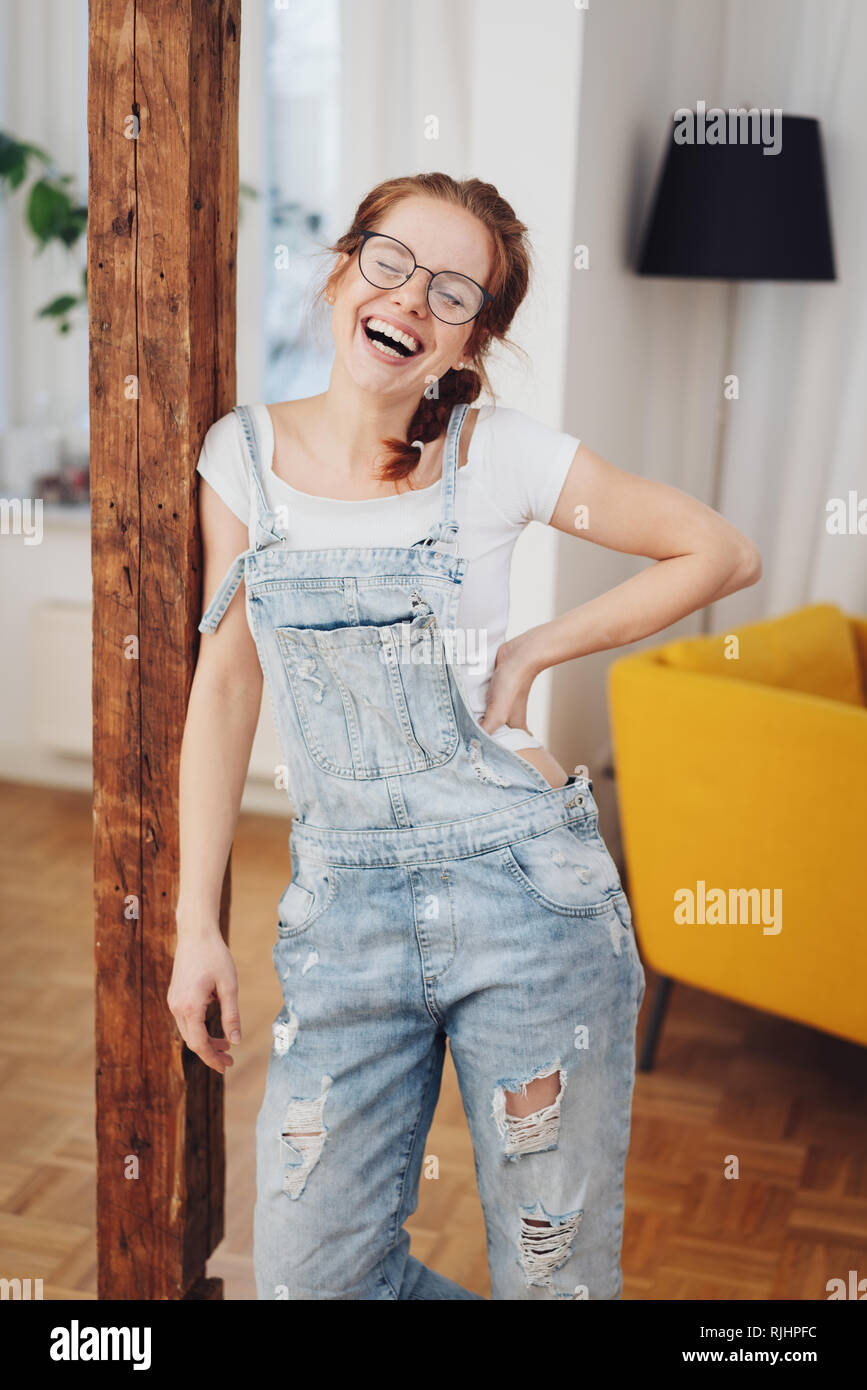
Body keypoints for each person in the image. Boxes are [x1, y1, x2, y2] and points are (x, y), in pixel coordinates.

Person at [168, 172, 761, 1300]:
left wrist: (535, 651)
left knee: (555, 1279)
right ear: (344, 267)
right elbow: (224, 687)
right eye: (390, 262)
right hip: (344, 918)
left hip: (530, 906)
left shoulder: (497, 453)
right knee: (314, 1283)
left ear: (472, 335)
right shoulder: (238, 458)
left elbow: (718, 550)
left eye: (453, 292)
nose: (410, 299)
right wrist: (197, 924)